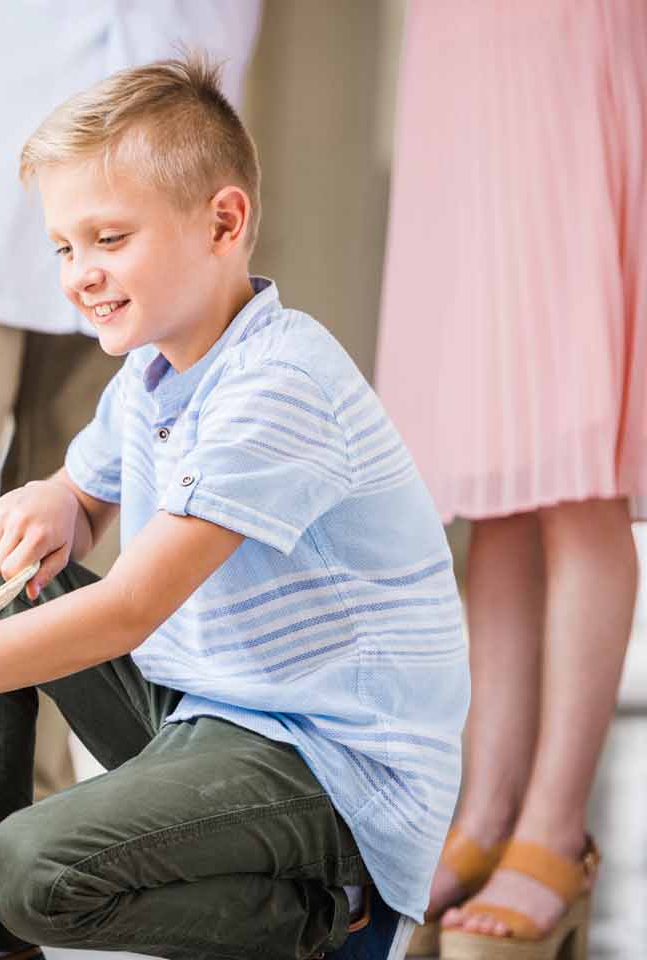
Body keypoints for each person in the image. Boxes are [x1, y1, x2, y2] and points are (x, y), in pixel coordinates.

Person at [0, 57, 469, 960]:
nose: (81, 274)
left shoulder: (279, 387)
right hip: (210, 705)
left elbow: (130, 608)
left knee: (34, 867)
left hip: (329, 768)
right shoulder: (156, 368)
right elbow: (85, 497)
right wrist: (58, 500)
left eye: (109, 238)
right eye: (64, 247)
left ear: (223, 221)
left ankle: (336, 915)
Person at [374, 2, 644, 957]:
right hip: (462, 47)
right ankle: (485, 813)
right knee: (493, 480)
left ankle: (555, 827)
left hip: (572, 40)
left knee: (577, 473)